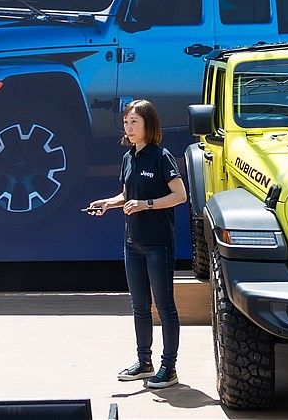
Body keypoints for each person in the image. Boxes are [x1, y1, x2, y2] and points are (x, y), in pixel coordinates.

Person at [86, 99, 186, 389]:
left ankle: (169, 368)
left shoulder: (161, 156)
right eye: (127, 122)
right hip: (133, 243)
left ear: (148, 125)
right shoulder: (129, 157)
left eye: (135, 122)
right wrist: (107, 203)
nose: (129, 127)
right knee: (139, 306)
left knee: (164, 307)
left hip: (158, 244)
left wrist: (147, 204)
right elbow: (126, 194)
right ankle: (145, 362)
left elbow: (180, 195)